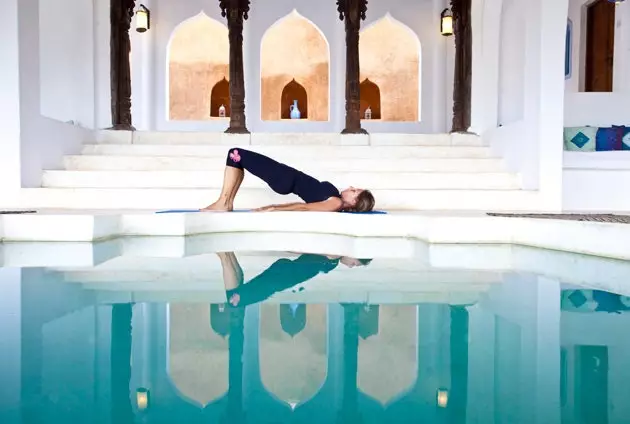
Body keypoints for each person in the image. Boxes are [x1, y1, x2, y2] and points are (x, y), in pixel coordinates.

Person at [202, 148, 376, 212]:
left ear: (353, 202)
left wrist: (274, 207)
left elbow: (305, 207)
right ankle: (226, 202)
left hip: (284, 178)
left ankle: (224, 202)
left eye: (354, 191)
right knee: (237, 158)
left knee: (236, 154)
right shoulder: (335, 199)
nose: (351, 187)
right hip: (285, 175)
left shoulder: (336, 203)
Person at [216, 252, 372, 308]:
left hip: (283, 277)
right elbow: (309, 251)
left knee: (238, 295)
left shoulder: (333, 261)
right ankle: (223, 254)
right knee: (234, 301)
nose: (351, 266)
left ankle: (225, 253)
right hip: (282, 277)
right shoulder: (334, 255)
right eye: (355, 263)